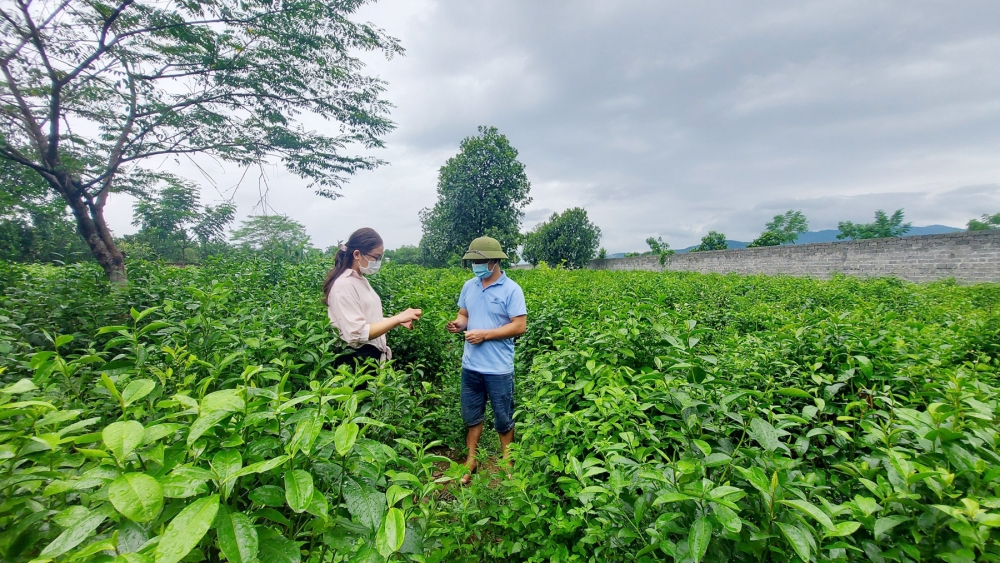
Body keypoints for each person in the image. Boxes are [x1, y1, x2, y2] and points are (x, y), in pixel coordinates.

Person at [446, 236, 527, 485]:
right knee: (472, 416)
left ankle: (508, 463)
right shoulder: (470, 286)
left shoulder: (512, 290)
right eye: (472, 262)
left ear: (493, 261)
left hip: (498, 368)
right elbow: (464, 314)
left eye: (478, 262)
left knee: (504, 417)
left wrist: (486, 335)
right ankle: (472, 460)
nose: (475, 267)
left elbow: (519, 326)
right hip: (471, 366)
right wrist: (458, 325)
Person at [323, 227, 422, 366]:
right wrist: (397, 318)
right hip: (355, 361)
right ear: (357, 254)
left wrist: (396, 321)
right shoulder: (343, 285)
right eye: (375, 257)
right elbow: (356, 333)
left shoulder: (360, 280)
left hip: (369, 358)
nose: (377, 262)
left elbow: (368, 320)